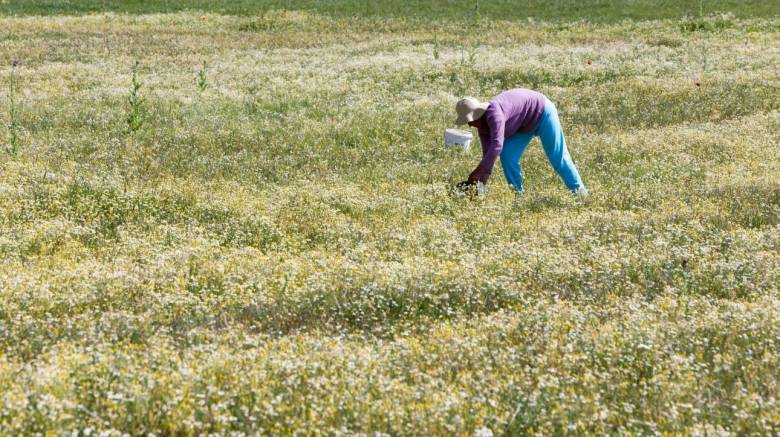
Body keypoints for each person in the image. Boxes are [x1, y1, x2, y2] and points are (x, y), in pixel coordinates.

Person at [454, 88, 588, 196]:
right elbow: (488, 155)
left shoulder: (494, 114)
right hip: (523, 125)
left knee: (557, 156)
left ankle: (580, 193)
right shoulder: (482, 127)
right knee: (507, 155)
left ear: (477, 114)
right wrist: (481, 182)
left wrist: (477, 171)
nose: (470, 126)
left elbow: (497, 145)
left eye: (470, 121)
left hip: (542, 112)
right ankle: (518, 195)